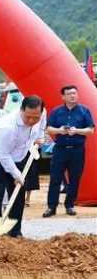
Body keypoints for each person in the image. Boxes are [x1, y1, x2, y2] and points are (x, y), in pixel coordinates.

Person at [0, 95, 46, 237]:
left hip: (18, 156)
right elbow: (3, 155)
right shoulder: (8, 127)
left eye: (35, 117)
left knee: (18, 193)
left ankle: (15, 231)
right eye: (28, 117)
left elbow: (42, 122)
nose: (31, 121)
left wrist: (40, 136)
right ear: (21, 110)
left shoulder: (40, 113)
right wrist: (16, 174)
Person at [44, 85, 94, 217]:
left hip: (77, 150)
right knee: (55, 178)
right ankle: (51, 207)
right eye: (69, 94)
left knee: (74, 179)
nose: (73, 96)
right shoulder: (56, 111)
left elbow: (90, 130)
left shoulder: (84, 111)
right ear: (63, 97)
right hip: (60, 149)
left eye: (74, 93)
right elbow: (49, 128)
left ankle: (69, 205)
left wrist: (76, 131)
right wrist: (60, 130)